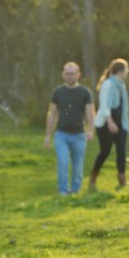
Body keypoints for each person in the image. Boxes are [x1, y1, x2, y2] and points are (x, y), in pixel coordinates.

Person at [44, 62, 95, 195]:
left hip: (79, 135)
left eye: (72, 74)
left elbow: (90, 113)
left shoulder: (85, 92)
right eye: (67, 74)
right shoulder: (58, 92)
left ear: (78, 75)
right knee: (63, 162)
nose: (70, 76)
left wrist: (90, 130)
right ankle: (63, 190)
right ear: (63, 75)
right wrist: (48, 136)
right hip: (61, 135)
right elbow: (52, 113)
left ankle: (75, 190)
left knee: (78, 166)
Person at [90, 58, 129, 191]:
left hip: (121, 123)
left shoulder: (121, 85)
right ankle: (93, 178)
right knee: (105, 151)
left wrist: (122, 123)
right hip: (106, 122)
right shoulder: (108, 84)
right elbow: (104, 104)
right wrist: (110, 122)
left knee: (121, 151)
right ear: (121, 71)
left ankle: (122, 178)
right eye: (126, 70)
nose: (127, 73)